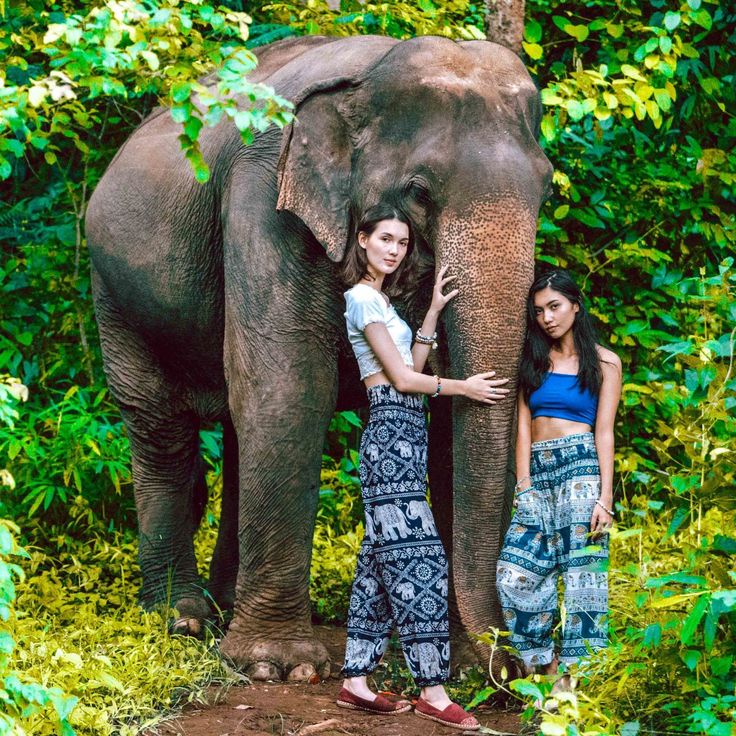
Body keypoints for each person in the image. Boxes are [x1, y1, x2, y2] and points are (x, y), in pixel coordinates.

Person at [335, 202, 509, 730]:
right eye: (385, 239)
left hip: (405, 434)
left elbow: (410, 366)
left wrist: (431, 314)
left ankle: (355, 683)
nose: (394, 249)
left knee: (378, 564)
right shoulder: (363, 299)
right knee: (422, 561)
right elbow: (406, 382)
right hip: (390, 435)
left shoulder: (382, 303)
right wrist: (465, 387)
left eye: (403, 243)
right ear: (362, 240)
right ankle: (433, 691)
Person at [496, 269, 622, 685]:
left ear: (575, 306)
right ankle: (546, 663)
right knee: (515, 573)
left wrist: (605, 496)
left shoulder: (605, 362)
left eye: (555, 306)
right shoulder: (532, 360)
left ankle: (576, 681)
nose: (547, 317)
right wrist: (524, 482)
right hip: (538, 469)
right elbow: (522, 425)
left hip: (581, 470)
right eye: (539, 311)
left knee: (584, 577)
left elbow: (605, 430)